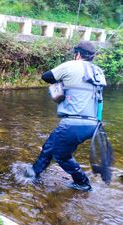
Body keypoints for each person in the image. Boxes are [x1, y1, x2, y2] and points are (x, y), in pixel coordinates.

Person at [24, 41, 106, 191]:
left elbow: (46, 76)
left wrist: (62, 81)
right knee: (53, 146)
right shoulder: (99, 71)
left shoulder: (71, 65)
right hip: (93, 124)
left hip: (73, 123)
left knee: (60, 154)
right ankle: (34, 173)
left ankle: (82, 183)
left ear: (78, 54)